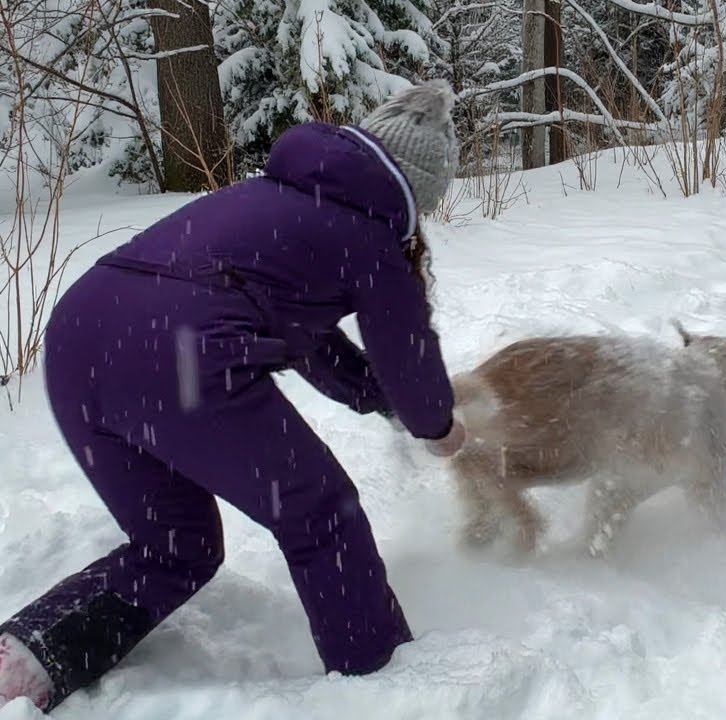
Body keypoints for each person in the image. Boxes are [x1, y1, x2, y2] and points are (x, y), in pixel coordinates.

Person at [0, 80, 466, 712]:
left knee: (176, 542)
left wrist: (378, 401)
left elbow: (309, 341)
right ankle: (381, 684)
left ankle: (25, 661)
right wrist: (438, 426)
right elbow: (409, 360)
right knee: (319, 509)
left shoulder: (275, 197)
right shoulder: (371, 237)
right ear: (417, 192)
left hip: (80, 340)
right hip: (179, 360)